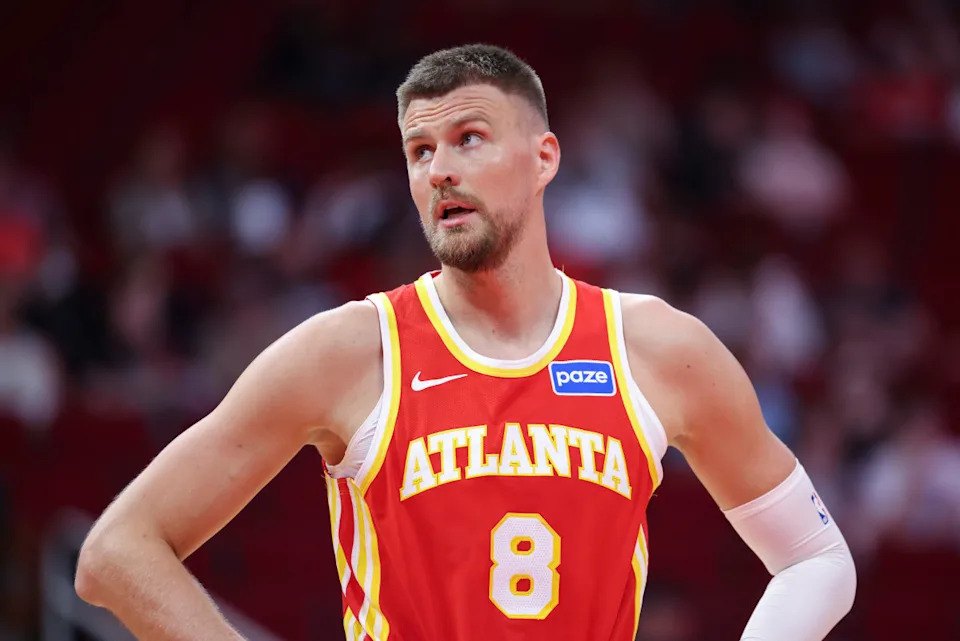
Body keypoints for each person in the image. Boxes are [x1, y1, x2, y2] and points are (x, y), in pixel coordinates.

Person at [74, 44, 856, 641]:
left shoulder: (654, 346)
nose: (440, 170)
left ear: (544, 157)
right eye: (420, 151)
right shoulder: (351, 350)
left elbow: (817, 559)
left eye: (470, 138)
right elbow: (117, 550)